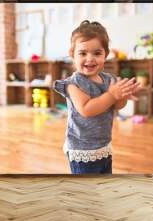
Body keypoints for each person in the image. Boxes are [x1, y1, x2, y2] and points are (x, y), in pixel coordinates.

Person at [53, 20, 141, 174]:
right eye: (82, 53)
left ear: (105, 55)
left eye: (97, 53)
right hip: (82, 149)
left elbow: (117, 105)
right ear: (72, 55)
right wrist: (112, 94)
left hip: (103, 145)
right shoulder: (73, 84)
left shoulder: (109, 79)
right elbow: (86, 109)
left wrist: (122, 95)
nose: (90, 58)